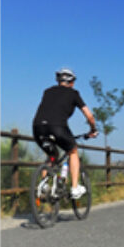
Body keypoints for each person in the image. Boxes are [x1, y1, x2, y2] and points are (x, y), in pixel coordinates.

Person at [32, 68, 99, 199]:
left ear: (58, 81)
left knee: (52, 155)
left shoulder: (47, 91)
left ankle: (44, 185)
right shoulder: (74, 93)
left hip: (37, 127)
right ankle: (74, 188)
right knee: (73, 151)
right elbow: (89, 116)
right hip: (57, 127)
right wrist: (93, 129)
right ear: (72, 82)